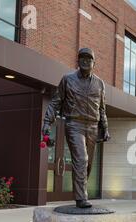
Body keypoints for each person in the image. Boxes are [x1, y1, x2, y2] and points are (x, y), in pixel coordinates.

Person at [42, 48, 110, 209]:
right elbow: (55, 102)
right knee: (81, 159)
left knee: (87, 165)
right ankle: (81, 198)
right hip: (75, 124)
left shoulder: (100, 83)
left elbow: (102, 109)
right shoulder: (67, 79)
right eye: (82, 58)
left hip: (93, 126)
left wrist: (105, 128)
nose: (85, 61)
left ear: (94, 63)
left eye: (89, 59)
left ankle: (80, 192)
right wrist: (46, 122)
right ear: (77, 61)